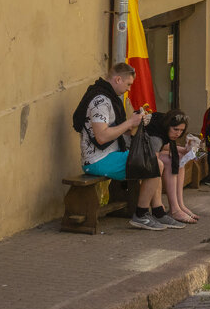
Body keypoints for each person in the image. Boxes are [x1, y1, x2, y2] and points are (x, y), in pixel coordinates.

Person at [72, 62, 166, 231]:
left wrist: (135, 123)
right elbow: (101, 137)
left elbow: (116, 131)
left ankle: (157, 211)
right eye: (128, 84)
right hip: (98, 160)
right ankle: (141, 215)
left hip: (109, 156)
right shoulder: (100, 101)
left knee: (155, 160)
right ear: (117, 79)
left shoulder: (109, 98)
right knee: (155, 164)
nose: (129, 89)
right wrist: (130, 122)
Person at [147, 109, 196, 226]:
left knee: (177, 157)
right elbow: (153, 157)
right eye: (176, 129)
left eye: (181, 130)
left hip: (147, 151)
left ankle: (179, 205)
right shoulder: (157, 133)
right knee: (170, 160)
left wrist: (185, 150)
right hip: (133, 154)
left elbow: (163, 145)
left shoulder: (162, 127)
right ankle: (174, 209)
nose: (178, 133)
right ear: (168, 125)